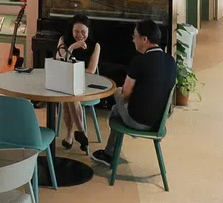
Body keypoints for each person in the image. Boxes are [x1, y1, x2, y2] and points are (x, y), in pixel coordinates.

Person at [91, 19, 177, 167]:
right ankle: (109, 153)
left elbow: (125, 93)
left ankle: (109, 154)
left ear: (144, 39)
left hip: (138, 121)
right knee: (116, 109)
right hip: (158, 122)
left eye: (135, 36)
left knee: (117, 91)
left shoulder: (140, 61)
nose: (133, 40)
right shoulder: (171, 60)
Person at [55, 15, 101, 153]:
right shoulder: (64, 40)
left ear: (88, 31)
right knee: (69, 94)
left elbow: (91, 70)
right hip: (66, 81)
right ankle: (81, 132)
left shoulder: (95, 45)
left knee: (69, 96)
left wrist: (72, 69)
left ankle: (70, 134)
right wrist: (73, 47)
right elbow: (59, 61)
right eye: (76, 31)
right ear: (71, 30)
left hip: (85, 82)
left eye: (83, 32)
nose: (80, 35)